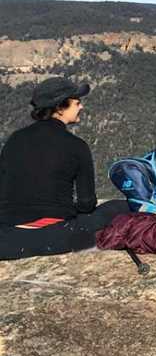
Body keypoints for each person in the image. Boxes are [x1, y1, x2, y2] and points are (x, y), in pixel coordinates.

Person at [0, 77, 128, 260]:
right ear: (60, 107)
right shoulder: (76, 146)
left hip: (7, 237)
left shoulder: (14, 140)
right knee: (120, 207)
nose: (81, 107)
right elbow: (87, 204)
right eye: (77, 102)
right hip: (56, 238)